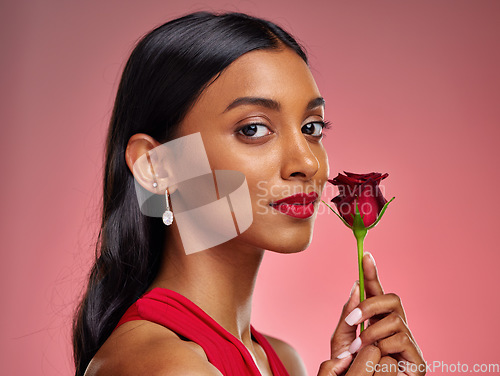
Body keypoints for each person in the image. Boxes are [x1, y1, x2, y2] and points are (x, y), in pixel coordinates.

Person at [73, 11, 425, 376]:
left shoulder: (283, 360)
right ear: (156, 165)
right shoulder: (165, 365)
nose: (306, 161)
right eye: (254, 129)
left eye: (311, 127)